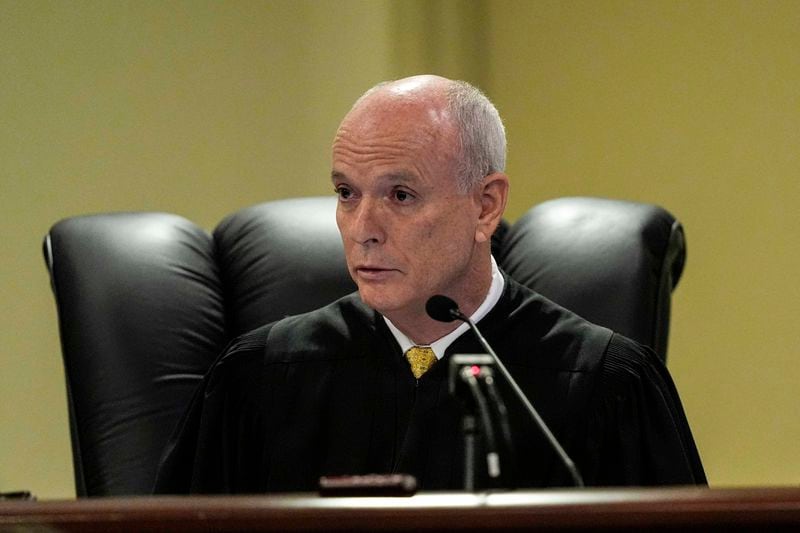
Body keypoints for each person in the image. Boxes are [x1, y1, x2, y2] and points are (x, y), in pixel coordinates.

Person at [153, 75, 706, 493]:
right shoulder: (258, 379)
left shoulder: (602, 384)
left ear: (485, 205)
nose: (363, 230)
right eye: (346, 193)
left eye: (400, 195)